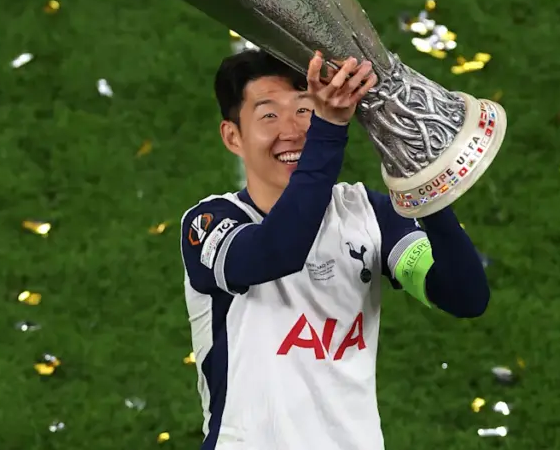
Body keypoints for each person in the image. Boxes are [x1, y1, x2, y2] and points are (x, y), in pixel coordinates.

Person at [180, 48, 491, 450]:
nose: (292, 130)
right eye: (269, 115)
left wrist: (424, 187)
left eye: (304, 110)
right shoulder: (208, 224)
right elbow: (277, 252)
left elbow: (465, 296)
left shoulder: (370, 214)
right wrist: (327, 130)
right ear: (232, 136)